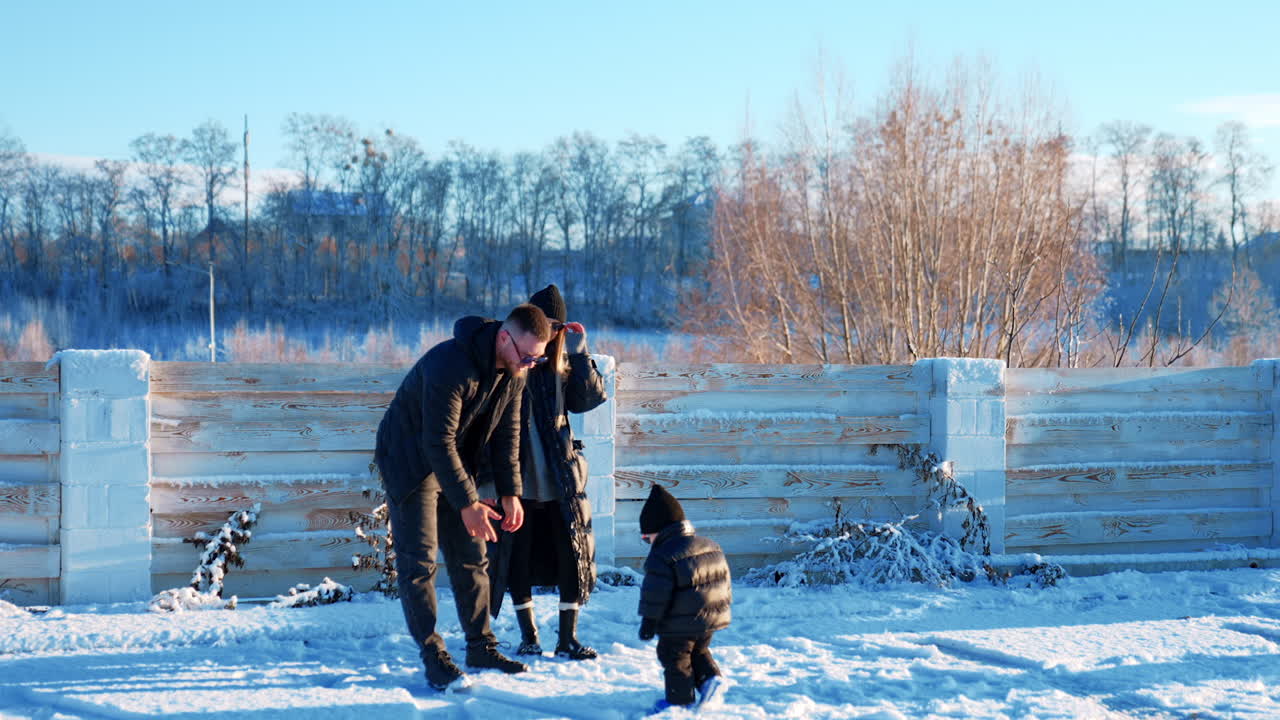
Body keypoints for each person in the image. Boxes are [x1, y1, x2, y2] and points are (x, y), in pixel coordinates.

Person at [374, 303, 553, 691]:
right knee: (419, 561)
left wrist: (510, 492)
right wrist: (469, 504)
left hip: (454, 460)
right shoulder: (450, 365)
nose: (530, 365)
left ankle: (481, 647)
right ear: (504, 338)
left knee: (472, 555)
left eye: (536, 359)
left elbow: (508, 436)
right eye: (527, 356)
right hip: (410, 461)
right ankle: (433, 657)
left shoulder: (516, 372)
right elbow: (436, 442)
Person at [485, 284, 608, 660]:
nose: (551, 333)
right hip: (517, 477)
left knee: (571, 553)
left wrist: (581, 352)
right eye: (546, 324)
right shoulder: (512, 361)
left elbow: (590, 399)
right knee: (516, 556)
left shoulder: (562, 365)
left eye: (558, 326)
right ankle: (529, 637)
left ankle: (567, 638)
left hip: (559, 476)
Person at [636, 484, 733, 713]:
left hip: (679, 621)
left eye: (646, 537)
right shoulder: (710, 545)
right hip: (710, 618)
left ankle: (679, 702)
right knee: (698, 651)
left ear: (659, 530)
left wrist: (649, 621)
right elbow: (725, 582)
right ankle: (711, 680)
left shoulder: (663, 555)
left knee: (674, 656)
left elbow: (656, 593)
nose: (647, 542)